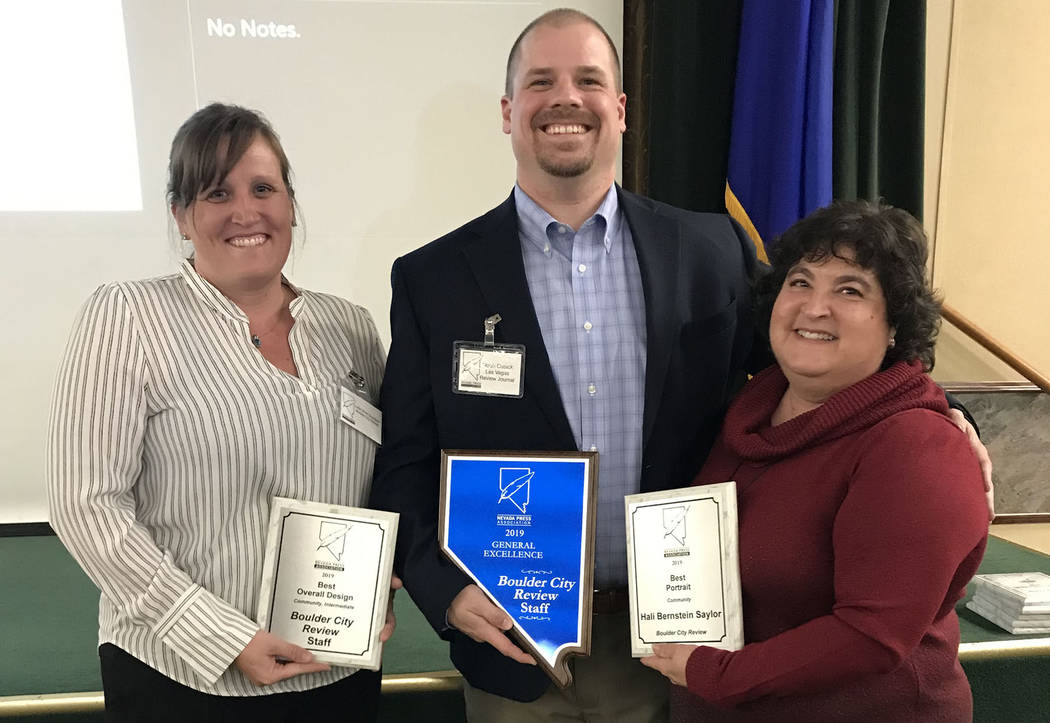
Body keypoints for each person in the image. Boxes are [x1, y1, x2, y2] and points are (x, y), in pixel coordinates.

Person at [369, 9, 760, 721]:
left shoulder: (712, 252)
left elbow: (815, 364)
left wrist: (944, 412)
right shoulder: (434, 279)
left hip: (675, 648)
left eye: (588, 80)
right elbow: (403, 462)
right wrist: (444, 592)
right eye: (541, 81)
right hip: (513, 653)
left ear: (619, 109)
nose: (565, 98)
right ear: (509, 110)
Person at [47, 103, 394, 720]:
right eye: (216, 192)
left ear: (289, 204)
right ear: (181, 215)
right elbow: (86, 505)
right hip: (179, 679)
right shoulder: (127, 317)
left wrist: (384, 576)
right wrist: (223, 637)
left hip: (336, 673)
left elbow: (388, 477)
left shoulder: (352, 328)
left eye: (264, 188)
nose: (246, 212)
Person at [641, 200, 989, 722]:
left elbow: (873, 634)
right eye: (800, 282)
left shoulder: (917, 447)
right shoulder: (744, 416)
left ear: (896, 323)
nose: (814, 307)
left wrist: (713, 674)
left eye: (850, 290)